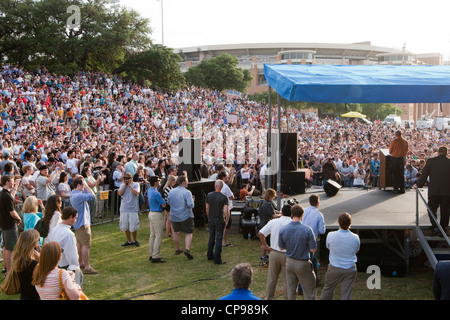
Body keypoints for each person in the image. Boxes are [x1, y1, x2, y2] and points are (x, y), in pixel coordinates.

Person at [279, 204, 317, 300]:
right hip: (303, 263)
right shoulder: (308, 230)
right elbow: (313, 249)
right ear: (302, 215)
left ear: (292, 214)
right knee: (308, 290)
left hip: (290, 262)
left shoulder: (284, 229)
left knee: (290, 291)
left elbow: (281, 247)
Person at [320, 212, 360, 300]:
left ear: (338, 222)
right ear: (350, 223)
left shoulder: (331, 235)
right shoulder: (355, 237)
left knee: (328, 290)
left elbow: (328, 247)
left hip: (334, 268)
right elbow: (355, 251)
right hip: (350, 268)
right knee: (346, 294)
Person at [258, 203, 292, 300]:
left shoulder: (274, 222)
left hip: (274, 253)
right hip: (288, 254)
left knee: (272, 279)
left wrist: (266, 246)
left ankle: (268, 298)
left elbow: (261, 233)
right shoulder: (292, 223)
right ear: (291, 214)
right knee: (288, 280)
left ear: (281, 212)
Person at [415, 146, 450, 236]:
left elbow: (424, 175)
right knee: (445, 211)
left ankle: (435, 226)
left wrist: (418, 184)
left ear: (438, 152)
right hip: (447, 191)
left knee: (431, 209)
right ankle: (443, 228)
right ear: (446, 153)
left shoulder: (431, 161)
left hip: (434, 190)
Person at [46, 206, 83, 287]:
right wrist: (75, 270)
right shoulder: (69, 234)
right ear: (71, 217)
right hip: (67, 267)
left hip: (55, 266)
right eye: (75, 218)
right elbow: (72, 255)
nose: (75, 221)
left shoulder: (54, 230)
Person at [70, 176, 98, 275]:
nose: (84, 187)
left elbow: (87, 193)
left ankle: (80, 262)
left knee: (80, 244)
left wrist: (84, 184)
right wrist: (86, 185)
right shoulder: (78, 196)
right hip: (83, 223)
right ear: (78, 185)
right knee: (86, 244)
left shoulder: (74, 194)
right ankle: (87, 266)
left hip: (78, 223)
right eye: (82, 185)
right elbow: (92, 195)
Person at [167, 175, 195, 259]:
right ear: (183, 182)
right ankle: (187, 249)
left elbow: (168, 202)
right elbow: (190, 205)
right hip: (186, 215)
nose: (188, 182)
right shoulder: (187, 192)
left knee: (176, 233)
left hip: (175, 215)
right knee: (188, 232)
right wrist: (193, 200)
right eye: (187, 181)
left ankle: (177, 249)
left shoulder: (171, 191)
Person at [301, 194, 326, 286]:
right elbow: (322, 231)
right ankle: (306, 283)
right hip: (311, 240)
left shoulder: (303, 210)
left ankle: (314, 279)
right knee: (309, 260)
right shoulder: (319, 215)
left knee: (311, 260)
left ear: (309, 202)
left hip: (301, 238)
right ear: (318, 203)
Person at [0, 175, 22, 274]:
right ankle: (9, 271)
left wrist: (16, 187)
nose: (13, 182)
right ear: (8, 182)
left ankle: (5, 267)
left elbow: (11, 197)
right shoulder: (6, 196)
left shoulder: (3, 194)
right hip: (9, 224)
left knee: (6, 246)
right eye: (12, 181)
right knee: (10, 248)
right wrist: (18, 218)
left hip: (4, 223)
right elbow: (12, 212)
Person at [11, 229, 41, 300]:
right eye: (38, 239)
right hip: (35, 296)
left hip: (24, 296)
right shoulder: (35, 264)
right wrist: (42, 260)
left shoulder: (19, 259)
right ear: (34, 242)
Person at [206, 180, 229, 265]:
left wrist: (209, 216)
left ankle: (209, 255)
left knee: (211, 237)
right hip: (219, 219)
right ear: (222, 187)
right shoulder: (224, 197)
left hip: (212, 219)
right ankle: (217, 259)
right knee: (219, 238)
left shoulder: (209, 195)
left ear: (215, 186)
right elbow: (226, 211)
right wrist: (226, 220)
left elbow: (207, 208)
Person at [257, 188, 281, 265]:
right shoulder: (267, 204)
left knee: (264, 241)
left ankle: (264, 255)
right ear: (270, 196)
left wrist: (280, 212)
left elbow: (273, 210)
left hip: (262, 223)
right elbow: (274, 215)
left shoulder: (265, 202)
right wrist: (282, 215)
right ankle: (264, 256)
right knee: (266, 242)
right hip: (265, 223)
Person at [147, 176, 166, 263]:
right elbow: (164, 205)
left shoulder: (149, 190)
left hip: (151, 213)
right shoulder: (156, 193)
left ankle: (151, 254)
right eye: (158, 181)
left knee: (152, 235)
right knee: (158, 236)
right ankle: (155, 256)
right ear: (155, 183)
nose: (159, 182)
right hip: (156, 214)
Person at [118, 172, 141, 247]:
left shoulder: (136, 185)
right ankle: (129, 241)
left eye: (128, 178)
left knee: (133, 225)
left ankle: (134, 240)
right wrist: (125, 185)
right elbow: (120, 193)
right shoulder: (122, 185)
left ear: (131, 179)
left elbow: (136, 193)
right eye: (125, 178)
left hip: (133, 208)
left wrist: (130, 185)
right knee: (125, 225)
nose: (126, 180)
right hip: (124, 209)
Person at [389, 130, 408, 194]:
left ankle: (396, 188)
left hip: (395, 159)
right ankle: (402, 189)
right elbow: (406, 151)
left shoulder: (394, 141)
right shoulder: (405, 142)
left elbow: (390, 151)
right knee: (401, 174)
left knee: (395, 174)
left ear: (396, 135)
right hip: (401, 159)